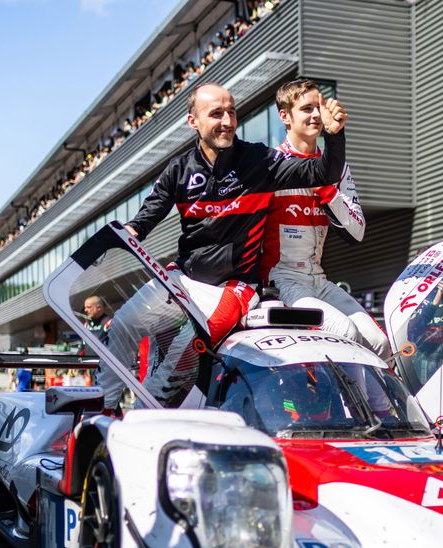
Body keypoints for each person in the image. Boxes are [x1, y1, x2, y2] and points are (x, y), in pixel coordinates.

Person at [102, 82, 349, 411]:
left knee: (183, 354)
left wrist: (334, 136)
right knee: (121, 325)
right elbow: (144, 220)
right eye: (216, 114)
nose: (227, 121)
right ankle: (102, 412)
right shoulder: (179, 169)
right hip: (184, 278)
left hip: (234, 287)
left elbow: (323, 171)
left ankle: (143, 420)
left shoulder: (259, 160)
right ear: (194, 122)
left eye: (231, 112)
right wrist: (129, 231)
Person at [262, 79, 388, 360]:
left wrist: (325, 190)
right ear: (285, 116)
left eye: (318, 107)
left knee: (380, 343)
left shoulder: (337, 168)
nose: (316, 115)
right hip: (282, 280)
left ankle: (380, 407)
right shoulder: (270, 166)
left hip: (318, 279)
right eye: (306, 109)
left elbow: (357, 232)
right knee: (345, 331)